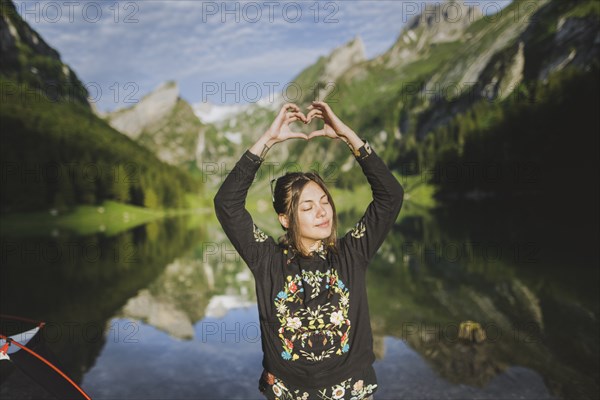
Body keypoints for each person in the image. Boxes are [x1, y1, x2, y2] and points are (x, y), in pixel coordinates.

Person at [214, 101, 404, 400]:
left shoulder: (352, 253)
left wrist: (348, 137)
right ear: (286, 219)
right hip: (287, 392)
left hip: (351, 391)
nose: (322, 212)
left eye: (324, 201)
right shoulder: (266, 259)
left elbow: (390, 196)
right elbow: (227, 204)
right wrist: (267, 141)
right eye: (308, 206)